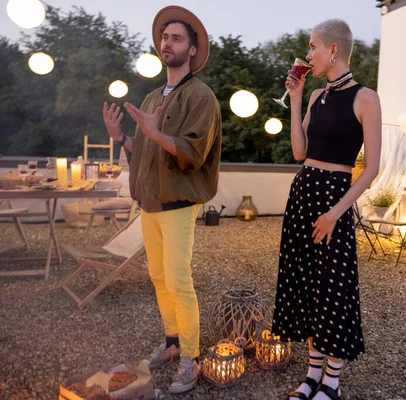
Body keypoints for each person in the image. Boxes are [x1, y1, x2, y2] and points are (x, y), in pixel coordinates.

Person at [101, 5, 221, 394]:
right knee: (158, 278)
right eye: (164, 38)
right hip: (149, 204)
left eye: (177, 39)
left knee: (179, 280)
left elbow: (191, 153)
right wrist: (121, 137)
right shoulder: (153, 96)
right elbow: (147, 151)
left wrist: (154, 135)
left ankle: (192, 357)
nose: (168, 43)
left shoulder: (201, 97)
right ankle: (172, 343)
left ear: (191, 49)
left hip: (179, 205)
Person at [272, 18, 382, 400]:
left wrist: (337, 212)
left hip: (334, 197)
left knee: (334, 287)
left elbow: (372, 169)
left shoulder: (365, 97)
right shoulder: (317, 96)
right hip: (303, 192)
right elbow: (300, 152)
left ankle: (331, 382)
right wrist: (298, 98)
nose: (308, 54)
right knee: (307, 284)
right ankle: (311, 374)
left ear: (333, 50)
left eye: (312, 46)